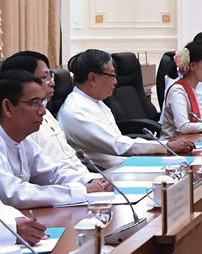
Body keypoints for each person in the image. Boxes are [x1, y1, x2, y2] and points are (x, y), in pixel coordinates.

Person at [58, 49, 194, 168]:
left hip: (125, 162)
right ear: (92, 78)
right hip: (110, 172)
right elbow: (116, 144)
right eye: (112, 76)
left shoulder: (95, 101)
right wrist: (165, 146)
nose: (115, 81)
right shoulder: (77, 111)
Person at [0, 71, 112, 208]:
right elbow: (14, 194)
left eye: (43, 102)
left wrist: (91, 180)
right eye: (34, 103)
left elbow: (54, 173)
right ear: (8, 108)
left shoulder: (23, 141)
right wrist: (81, 191)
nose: (43, 111)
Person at [1, 52, 86, 174]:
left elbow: (53, 172)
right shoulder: (22, 129)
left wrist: (91, 180)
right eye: (45, 77)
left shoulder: (27, 137)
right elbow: (12, 187)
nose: (52, 83)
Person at [160, 42, 202, 139]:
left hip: (190, 140)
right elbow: (183, 127)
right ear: (193, 66)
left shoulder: (191, 88)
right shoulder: (178, 90)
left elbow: (195, 119)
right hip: (172, 144)